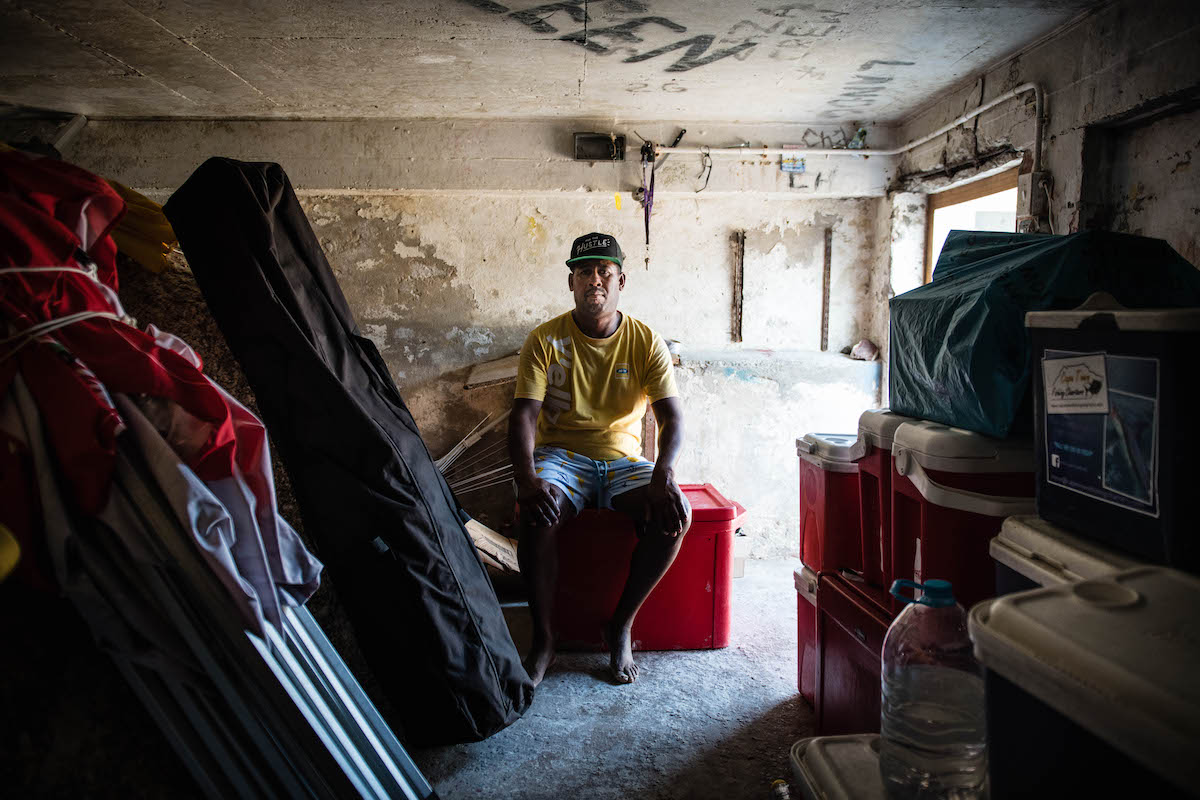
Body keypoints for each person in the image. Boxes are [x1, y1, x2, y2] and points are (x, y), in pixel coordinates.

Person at [508, 231, 691, 687]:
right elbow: (524, 416)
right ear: (571, 282)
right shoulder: (545, 339)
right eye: (585, 271)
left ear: (620, 280)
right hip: (562, 458)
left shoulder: (646, 341)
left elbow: (672, 418)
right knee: (535, 512)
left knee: (676, 514)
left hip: (623, 461)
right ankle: (546, 640)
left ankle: (621, 625)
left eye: (604, 271)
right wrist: (526, 479)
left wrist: (664, 475)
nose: (595, 280)